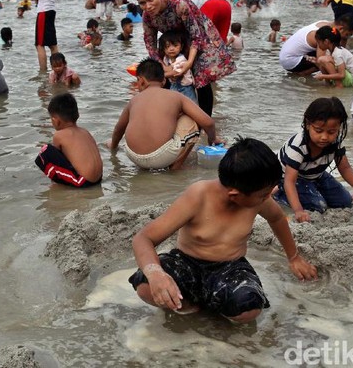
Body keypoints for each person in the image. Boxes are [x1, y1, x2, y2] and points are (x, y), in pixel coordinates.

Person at [128, 137, 317, 322]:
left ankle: (215, 308)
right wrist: (155, 274)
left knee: (249, 308)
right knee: (144, 283)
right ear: (235, 195)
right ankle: (190, 309)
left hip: (230, 267)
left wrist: (293, 257)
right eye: (264, 194)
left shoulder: (259, 200)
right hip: (186, 263)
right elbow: (143, 238)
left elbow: (277, 219)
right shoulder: (198, 196)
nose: (270, 195)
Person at [135, 0, 235, 117]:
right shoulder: (147, 16)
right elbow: (150, 44)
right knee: (162, 80)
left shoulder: (179, 4)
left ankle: (204, 123)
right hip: (174, 41)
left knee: (201, 80)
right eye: (142, 3)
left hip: (198, 37)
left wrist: (188, 63)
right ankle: (169, 117)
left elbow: (196, 36)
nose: (148, 6)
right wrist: (163, 66)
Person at [106, 59, 223, 171]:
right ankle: (176, 168)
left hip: (133, 156)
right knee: (190, 119)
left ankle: (144, 168)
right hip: (160, 157)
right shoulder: (176, 96)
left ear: (140, 80)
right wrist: (212, 139)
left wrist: (113, 146)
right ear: (163, 81)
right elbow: (208, 122)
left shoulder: (134, 100)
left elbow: (119, 129)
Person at [274, 97, 353, 221]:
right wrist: (298, 211)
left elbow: (344, 167)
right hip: (289, 179)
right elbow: (290, 181)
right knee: (317, 206)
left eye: (331, 132)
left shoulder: (335, 143)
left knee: (345, 202)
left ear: (339, 128)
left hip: (316, 175)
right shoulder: (298, 147)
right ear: (307, 124)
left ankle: (312, 189)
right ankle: (278, 192)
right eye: (318, 130)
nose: (324, 137)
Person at [35, 93, 102, 187]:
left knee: (45, 152)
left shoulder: (59, 135)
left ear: (56, 120)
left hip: (83, 182)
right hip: (98, 179)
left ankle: (58, 184)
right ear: (77, 114)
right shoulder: (85, 131)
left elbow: (56, 160)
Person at [279, 14, 353, 75]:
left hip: (288, 54)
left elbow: (340, 49)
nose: (347, 38)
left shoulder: (326, 24)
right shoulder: (323, 35)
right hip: (290, 61)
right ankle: (303, 73)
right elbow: (322, 61)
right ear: (340, 28)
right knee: (327, 57)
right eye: (347, 35)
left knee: (332, 54)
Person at [160, 31, 196, 103]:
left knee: (191, 107)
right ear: (163, 49)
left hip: (186, 89)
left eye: (175, 46)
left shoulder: (181, 59)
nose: (171, 49)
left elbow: (176, 72)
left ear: (181, 47)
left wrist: (162, 75)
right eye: (167, 46)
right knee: (173, 107)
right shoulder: (166, 59)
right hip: (173, 86)